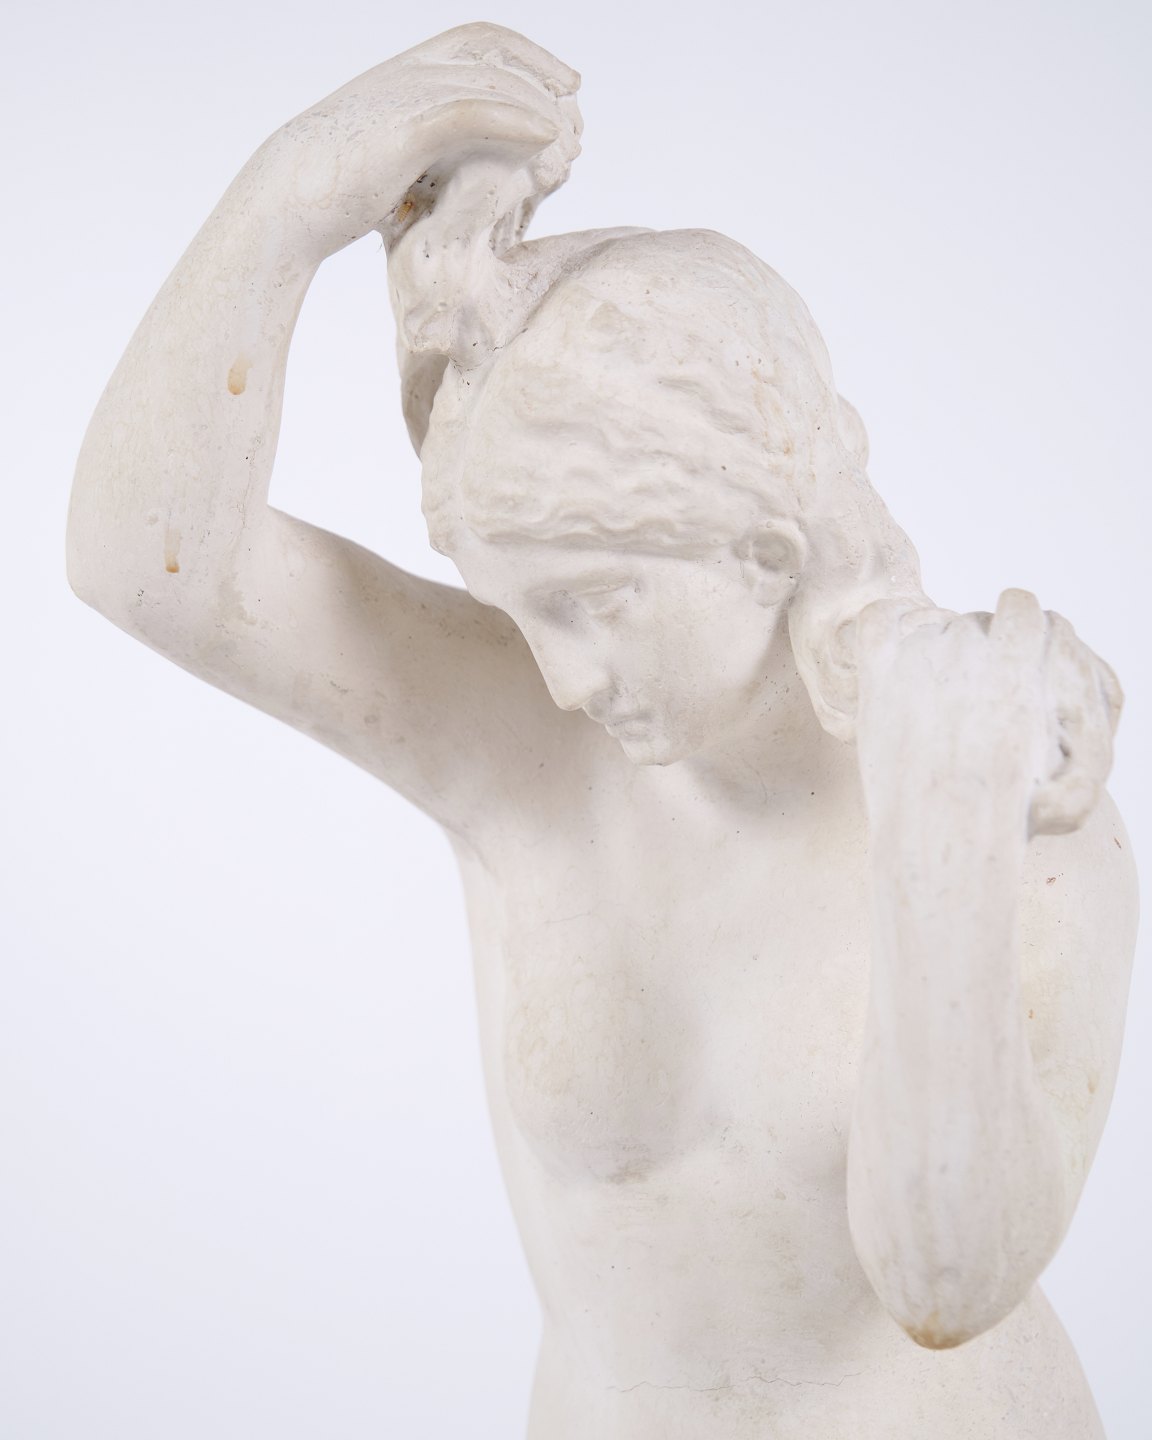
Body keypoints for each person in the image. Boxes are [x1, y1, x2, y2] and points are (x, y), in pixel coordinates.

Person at [67, 23, 1137, 1439]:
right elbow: (149, 566)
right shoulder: (525, 746)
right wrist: (292, 195)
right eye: (526, 614)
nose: (562, 677)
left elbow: (947, 1278)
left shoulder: (1015, 806)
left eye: (597, 604)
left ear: (759, 547)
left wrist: (946, 820)